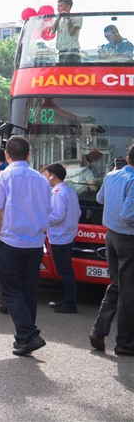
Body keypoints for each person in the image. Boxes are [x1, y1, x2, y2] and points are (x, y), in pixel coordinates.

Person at [0, 135, 52, 356]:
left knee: (11, 290)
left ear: (6, 155)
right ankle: (23, 338)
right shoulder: (42, 179)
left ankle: (28, 335)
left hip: (9, 241)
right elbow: (47, 210)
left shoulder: (1, 177)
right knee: (28, 290)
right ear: (28, 155)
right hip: (34, 242)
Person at [89, 144, 134, 356]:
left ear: (127, 157)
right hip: (129, 239)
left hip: (111, 236)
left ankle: (99, 329)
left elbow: (100, 199)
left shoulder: (111, 175)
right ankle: (125, 343)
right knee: (129, 292)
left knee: (117, 284)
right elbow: (129, 215)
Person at [41, 163, 80, 313]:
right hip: (68, 235)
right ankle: (68, 300)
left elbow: (56, 216)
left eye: (46, 175)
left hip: (60, 236)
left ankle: (70, 303)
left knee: (65, 271)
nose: (46, 178)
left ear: (52, 176)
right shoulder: (69, 191)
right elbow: (78, 213)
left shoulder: (57, 193)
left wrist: (42, 217)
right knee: (65, 270)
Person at [51, 0, 82, 64]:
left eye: (60, 6)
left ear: (68, 7)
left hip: (73, 52)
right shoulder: (59, 19)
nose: (57, 8)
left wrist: (68, 18)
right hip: (61, 52)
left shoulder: (77, 17)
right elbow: (52, 31)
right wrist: (58, 18)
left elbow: (72, 32)